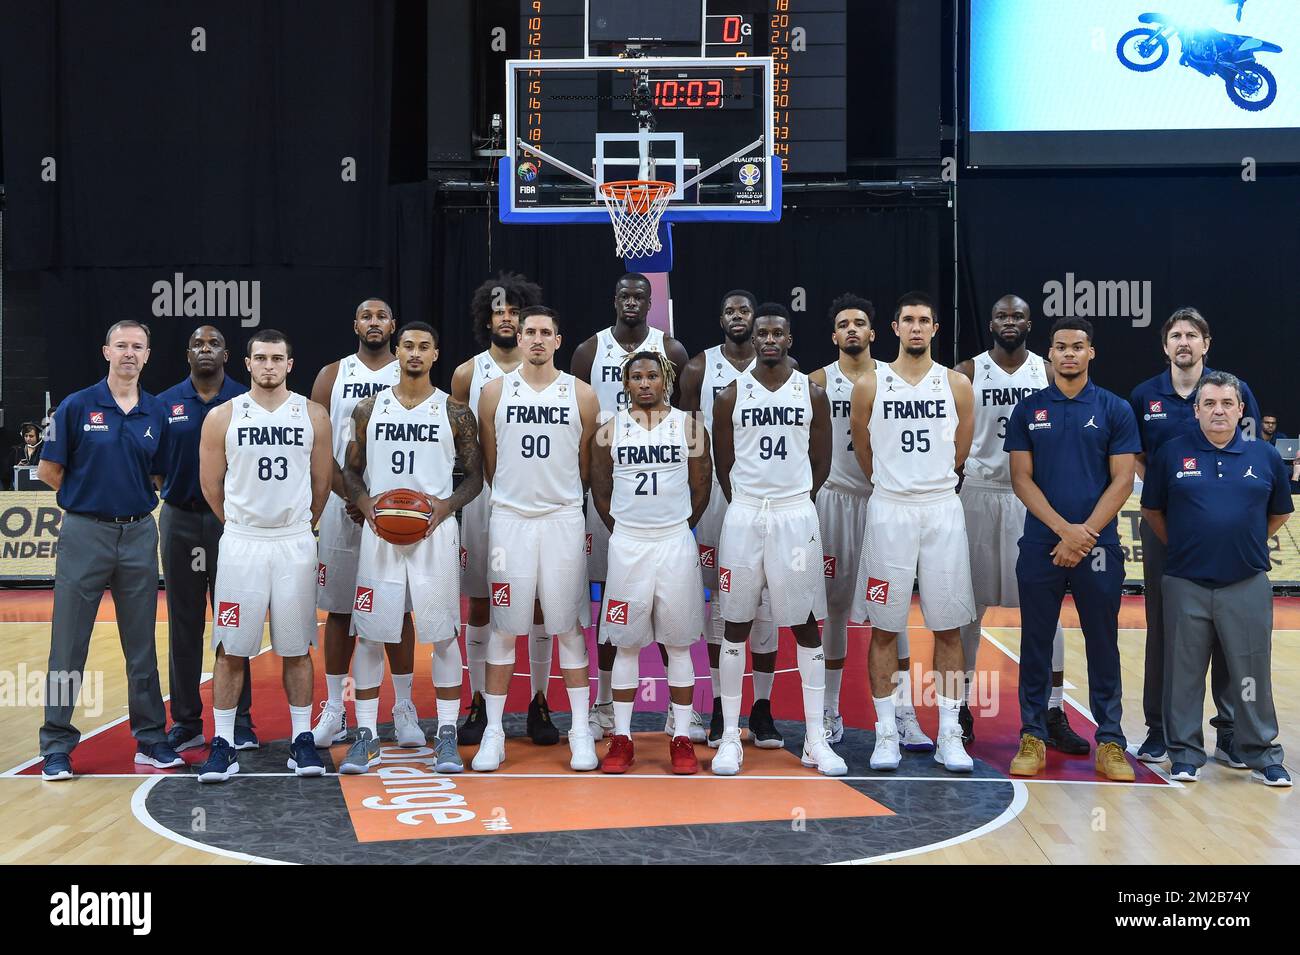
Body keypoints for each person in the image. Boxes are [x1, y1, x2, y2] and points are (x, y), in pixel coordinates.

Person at [37, 320, 182, 779]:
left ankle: (152, 739)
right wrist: (89, 503)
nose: (129, 353)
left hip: (139, 533)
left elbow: (158, 476)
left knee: (141, 646)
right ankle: (57, 743)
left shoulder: (157, 411)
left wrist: (125, 506)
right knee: (68, 645)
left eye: (137, 347)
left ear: (147, 355)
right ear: (105, 351)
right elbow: (48, 470)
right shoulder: (78, 405)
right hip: (85, 534)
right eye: (121, 345)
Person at [342, 322, 484, 774]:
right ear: (397, 352)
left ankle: (444, 733)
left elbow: (476, 477)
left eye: (424, 346)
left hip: (434, 532)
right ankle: (365, 735)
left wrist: (446, 507)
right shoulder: (369, 408)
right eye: (408, 346)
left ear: (436, 353)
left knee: (442, 634)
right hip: (380, 534)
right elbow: (351, 471)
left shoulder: (455, 411)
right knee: (370, 633)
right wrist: (366, 506)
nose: (415, 353)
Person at [711, 304, 846, 777]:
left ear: (789, 339)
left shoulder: (813, 393)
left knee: (806, 625)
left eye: (777, 333)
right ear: (754, 337)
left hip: (794, 514)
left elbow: (821, 462)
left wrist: (794, 502)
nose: (768, 339)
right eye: (762, 333)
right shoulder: (729, 395)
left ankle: (814, 739)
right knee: (735, 625)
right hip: (745, 514)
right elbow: (722, 464)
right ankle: (730, 737)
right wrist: (747, 502)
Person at [1140, 371, 1291, 786]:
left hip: (1245, 583)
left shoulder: (1265, 457)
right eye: (1210, 404)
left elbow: (1279, 512)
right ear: (1197, 410)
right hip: (1186, 582)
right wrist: (1188, 543)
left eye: (1227, 403)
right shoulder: (1172, 454)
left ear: (1241, 409)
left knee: (1249, 674)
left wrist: (1244, 541)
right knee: (1183, 673)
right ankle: (1185, 753)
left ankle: (1259, 750)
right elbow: (1153, 510)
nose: (1218, 411)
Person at [195, 330, 333, 782]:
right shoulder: (222, 416)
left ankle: (301, 741)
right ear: (248, 364)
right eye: (260, 358)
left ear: (290, 364)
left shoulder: (313, 414)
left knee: (296, 646)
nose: (269, 365)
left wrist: (298, 524)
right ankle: (223, 744)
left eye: (277, 358)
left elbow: (321, 486)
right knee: (231, 647)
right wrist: (241, 524)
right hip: (241, 543)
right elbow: (211, 486)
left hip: (294, 542)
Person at [1006, 318, 1140, 781]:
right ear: (1050, 355)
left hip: (1097, 546)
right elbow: (1020, 478)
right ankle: (1032, 735)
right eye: (1060, 347)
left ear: (1090, 353)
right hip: (1043, 541)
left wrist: (1083, 534)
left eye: (1077, 347)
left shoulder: (1115, 408)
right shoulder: (1029, 409)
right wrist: (1064, 530)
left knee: (1103, 642)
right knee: (1036, 641)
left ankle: (1111, 741)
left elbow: (1124, 478)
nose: (1068, 354)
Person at [849, 292, 977, 774]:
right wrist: (889, 482)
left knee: (948, 627)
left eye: (926, 320)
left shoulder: (957, 384)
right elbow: (863, 447)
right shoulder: (869, 383)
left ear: (936, 328)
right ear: (895, 328)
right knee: (885, 628)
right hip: (890, 510)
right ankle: (886, 735)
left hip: (941, 509)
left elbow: (960, 451)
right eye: (909, 320)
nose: (917, 327)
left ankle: (949, 735)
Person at [955, 296, 1087, 754]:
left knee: (1046, 610)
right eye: (1001, 316)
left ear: (1030, 324)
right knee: (965, 609)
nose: (1009, 322)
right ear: (989, 322)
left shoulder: (1046, 372)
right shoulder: (968, 372)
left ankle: (1051, 711)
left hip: (1032, 498)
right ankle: (959, 711)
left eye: (1017, 316)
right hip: (978, 493)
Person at [472, 306, 602, 772]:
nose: (538, 339)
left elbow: (587, 467)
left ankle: (581, 732)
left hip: (563, 519)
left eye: (547, 331)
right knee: (504, 629)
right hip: (510, 519)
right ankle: (493, 733)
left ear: (559, 339)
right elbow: (490, 462)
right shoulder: (492, 393)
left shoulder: (582, 395)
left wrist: (561, 500)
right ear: (519, 339)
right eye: (530, 332)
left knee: (567, 627)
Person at [1129, 307, 1260, 765]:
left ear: (1206, 344)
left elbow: (1254, 455)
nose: (1183, 342)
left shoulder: (1231, 391)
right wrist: (1168, 495)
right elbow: (1138, 456)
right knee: (1165, 630)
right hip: (1167, 528)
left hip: (1226, 534)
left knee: (1229, 632)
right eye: (1176, 335)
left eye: (1192, 335)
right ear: (1165, 346)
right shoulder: (1145, 396)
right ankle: (1160, 729)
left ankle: (1228, 731)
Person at [570, 273, 694, 741]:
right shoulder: (588, 351)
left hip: (661, 508)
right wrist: (609, 513)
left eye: (640, 295)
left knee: (669, 613)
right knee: (611, 607)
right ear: (614, 299)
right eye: (623, 294)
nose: (631, 302)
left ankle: (678, 717)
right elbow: (580, 413)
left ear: (651, 302)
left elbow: (681, 433)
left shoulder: (673, 350)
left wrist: (677, 519)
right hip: (613, 495)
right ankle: (604, 705)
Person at [811, 293, 928, 749]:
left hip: (885, 502)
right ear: (834, 335)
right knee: (836, 609)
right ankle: (829, 711)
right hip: (835, 502)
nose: (852, 330)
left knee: (893, 609)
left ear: (876, 333)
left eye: (860, 322)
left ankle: (904, 714)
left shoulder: (894, 379)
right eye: (844, 324)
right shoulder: (816, 381)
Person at [589, 351, 712, 774]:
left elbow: (702, 488)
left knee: (679, 645)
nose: (644, 383)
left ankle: (680, 737)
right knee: (625, 643)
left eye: (652, 376)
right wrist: (628, 529)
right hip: (628, 545)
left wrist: (674, 526)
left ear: (667, 380)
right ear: (625, 383)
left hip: (675, 543)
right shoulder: (608, 431)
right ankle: (621, 738)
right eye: (636, 376)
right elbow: (600, 490)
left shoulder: (690, 428)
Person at [449, 272, 557, 747]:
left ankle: (538, 701)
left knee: (536, 604)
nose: (507, 318)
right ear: (485, 318)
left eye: (515, 311)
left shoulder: (550, 373)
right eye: (499, 311)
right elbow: (457, 445)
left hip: (535, 500)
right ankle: (478, 700)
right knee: (479, 604)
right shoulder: (468, 373)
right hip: (484, 500)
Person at [310, 300, 422, 750]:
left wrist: (386, 503)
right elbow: (316, 443)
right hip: (344, 507)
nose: (374, 323)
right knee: (338, 611)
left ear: (392, 326)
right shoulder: (331, 375)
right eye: (366, 316)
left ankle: (405, 708)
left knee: (401, 610)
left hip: (399, 511)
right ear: (355, 324)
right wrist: (354, 497)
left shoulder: (410, 373)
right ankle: (336, 709)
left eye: (382, 317)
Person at [677, 290, 783, 748]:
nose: (737, 317)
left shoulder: (789, 375)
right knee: (722, 608)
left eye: (745, 311)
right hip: (718, 497)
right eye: (730, 310)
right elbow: (683, 436)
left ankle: (762, 708)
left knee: (768, 606)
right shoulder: (700, 368)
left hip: (773, 498)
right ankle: (722, 707)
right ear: (720, 318)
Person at [157, 325, 256, 753]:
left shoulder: (244, 400)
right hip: (179, 519)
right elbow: (157, 468)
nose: (205, 349)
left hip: (229, 524)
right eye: (197, 343)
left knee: (235, 620)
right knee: (184, 624)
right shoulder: (164, 403)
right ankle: (186, 721)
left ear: (227, 354)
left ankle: (241, 720)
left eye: (213, 343)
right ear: (187, 352)